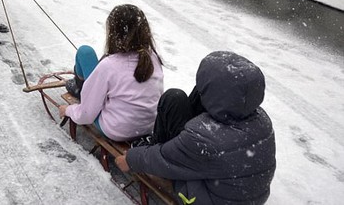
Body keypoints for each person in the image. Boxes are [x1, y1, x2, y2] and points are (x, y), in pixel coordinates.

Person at [115, 51, 276, 205]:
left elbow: (165, 159)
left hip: (209, 198)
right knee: (195, 94)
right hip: (247, 196)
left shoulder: (205, 140)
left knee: (174, 99)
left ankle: (154, 142)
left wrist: (131, 159)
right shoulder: (262, 120)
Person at [58, 4, 164, 142]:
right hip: (149, 126)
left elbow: (87, 114)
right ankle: (85, 88)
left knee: (85, 52)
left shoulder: (110, 65)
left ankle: (81, 88)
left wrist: (68, 110)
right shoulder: (153, 58)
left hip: (117, 129)